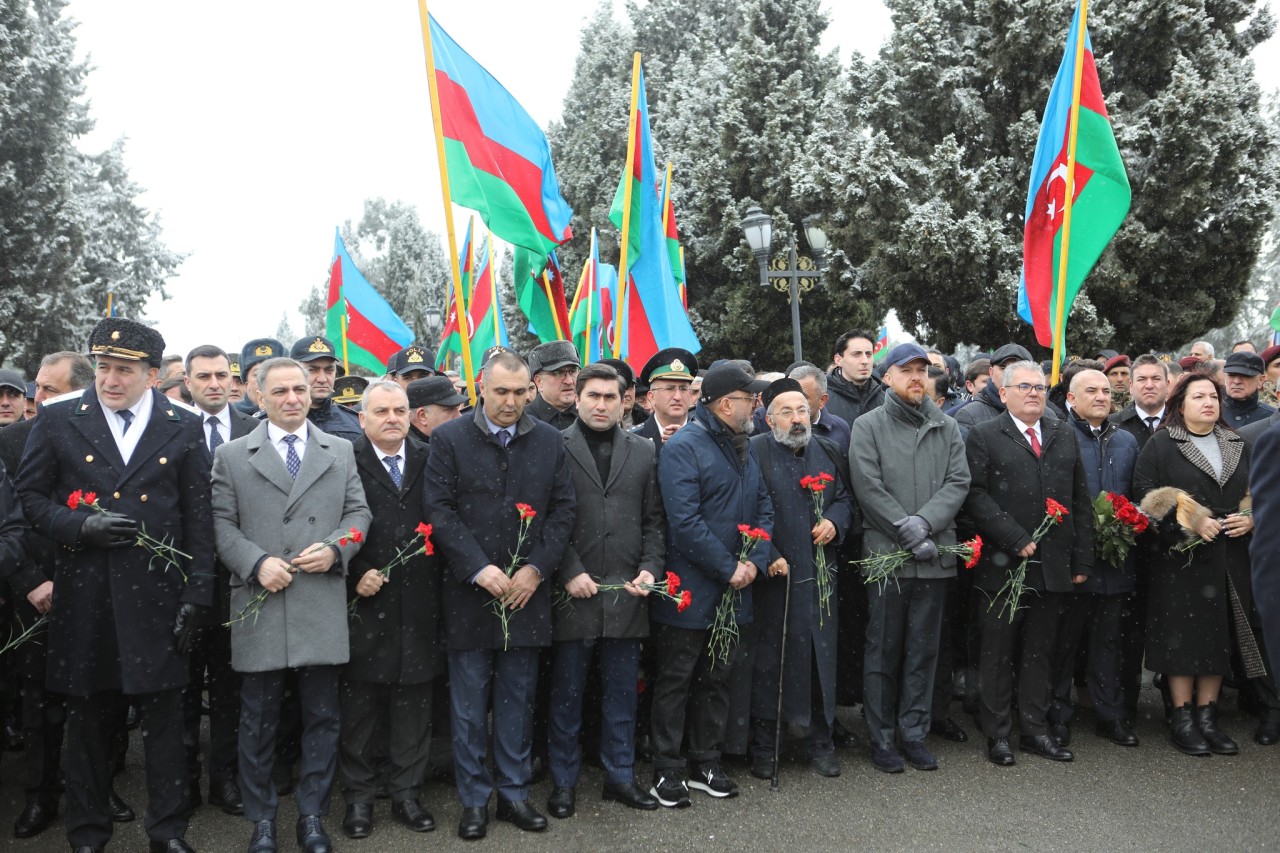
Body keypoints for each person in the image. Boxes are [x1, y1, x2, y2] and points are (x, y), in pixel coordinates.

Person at [17, 318, 216, 853]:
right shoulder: (60, 419)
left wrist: (198, 594)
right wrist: (78, 526)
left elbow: (199, 516)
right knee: (87, 722)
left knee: (167, 723)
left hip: (158, 596)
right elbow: (30, 500)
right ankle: (87, 834)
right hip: (87, 595)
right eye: (103, 367)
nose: (109, 380)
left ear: (152, 374)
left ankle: (168, 833)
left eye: (123, 370)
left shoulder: (182, 424)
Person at [211, 355, 372, 853]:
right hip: (261, 599)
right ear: (258, 396)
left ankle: (311, 814)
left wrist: (337, 548)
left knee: (322, 716)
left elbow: (358, 511)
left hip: (317, 599)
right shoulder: (233, 455)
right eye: (279, 391)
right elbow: (221, 524)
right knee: (257, 719)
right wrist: (256, 563)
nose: (292, 399)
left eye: (299, 389)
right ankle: (262, 819)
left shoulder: (340, 449)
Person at [422, 350, 576, 840]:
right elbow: (439, 511)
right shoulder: (448, 439)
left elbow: (563, 513)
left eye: (519, 392)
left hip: (525, 596)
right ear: (480, 387)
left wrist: (535, 570)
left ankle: (512, 794)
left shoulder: (550, 441)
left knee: (517, 699)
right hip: (469, 595)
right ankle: (473, 801)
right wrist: (477, 568)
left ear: (531, 390)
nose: (511, 402)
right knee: (469, 707)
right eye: (501, 391)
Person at [648, 363, 772, 808]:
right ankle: (666, 768)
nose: (757, 404)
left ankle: (705, 760)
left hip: (735, 587)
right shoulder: (684, 447)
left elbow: (763, 507)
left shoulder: (747, 446)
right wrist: (728, 567)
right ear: (725, 404)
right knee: (677, 678)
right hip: (692, 589)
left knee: (717, 677)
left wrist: (755, 560)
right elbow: (684, 523)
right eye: (750, 398)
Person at [963, 361, 1093, 767]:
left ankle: (1035, 730)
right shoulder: (984, 435)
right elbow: (975, 496)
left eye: (1040, 387)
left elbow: (1079, 500)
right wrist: (1015, 537)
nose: (1035, 393)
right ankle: (998, 734)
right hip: (1003, 565)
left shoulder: (1062, 434)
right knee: (998, 651)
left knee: (1041, 651)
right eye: (1025, 386)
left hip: (1052, 565)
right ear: (1004, 393)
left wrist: (1082, 557)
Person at [548, 364, 664, 818]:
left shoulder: (643, 451)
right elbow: (543, 516)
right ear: (576, 399)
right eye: (592, 396)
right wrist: (567, 570)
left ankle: (620, 776)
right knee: (567, 695)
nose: (600, 405)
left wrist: (651, 569)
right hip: (573, 592)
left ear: (625, 401)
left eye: (609, 397)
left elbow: (655, 520)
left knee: (621, 694)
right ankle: (563, 782)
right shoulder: (553, 446)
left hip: (626, 593)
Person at [850, 344, 970, 773]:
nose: (916, 377)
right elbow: (867, 486)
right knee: (883, 649)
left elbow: (958, 482)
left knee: (923, 651)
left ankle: (913, 734)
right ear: (888, 377)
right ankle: (882, 739)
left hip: (933, 558)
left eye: (922, 370)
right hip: (889, 558)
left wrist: (926, 523)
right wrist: (907, 528)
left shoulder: (947, 426)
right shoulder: (868, 426)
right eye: (907, 371)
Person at [1133, 371, 1259, 757]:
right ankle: (1182, 715)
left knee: (1218, 635)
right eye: (1199, 396)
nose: (1209, 403)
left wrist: (1251, 515)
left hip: (1229, 553)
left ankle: (1208, 715)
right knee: (1183, 635)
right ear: (1181, 404)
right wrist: (1190, 520)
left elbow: (1261, 489)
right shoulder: (1162, 444)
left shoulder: (1237, 442)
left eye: (1213, 397)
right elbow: (1145, 498)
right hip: (1182, 557)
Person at [0, 351, 95, 840]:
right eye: (36, 387)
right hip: (32, 591)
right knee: (38, 703)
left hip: (98, 589)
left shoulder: (105, 439)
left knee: (96, 701)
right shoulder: (9, 442)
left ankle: (95, 790)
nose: (37, 398)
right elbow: (9, 522)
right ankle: (40, 796)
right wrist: (31, 580)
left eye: (50, 390)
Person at [339, 381, 440, 839]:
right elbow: (326, 523)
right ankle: (359, 800)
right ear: (362, 418)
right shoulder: (343, 461)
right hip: (364, 600)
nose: (393, 418)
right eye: (381, 411)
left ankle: (406, 794)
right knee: (361, 707)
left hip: (420, 601)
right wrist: (352, 569)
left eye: (400, 410)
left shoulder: (430, 458)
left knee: (413, 705)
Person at [748, 378, 855, 779]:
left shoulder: (827, 450)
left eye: (802, 410)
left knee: (819, 661)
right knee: (769, 661)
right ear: (769, 417)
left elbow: (846, 499)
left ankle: (820, 741)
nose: (797, 419)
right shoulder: (754, 452)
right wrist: (768, 554)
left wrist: (834, 521)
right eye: (787, 412)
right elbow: (744, 510)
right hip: (774, 579)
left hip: (820, 576)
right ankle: (764, 745)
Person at [182, 344, 259, 817]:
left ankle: (225, 779)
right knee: (184, 689)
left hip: (240, 581)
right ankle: (184, 778)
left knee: (232, 690)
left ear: (233, 381)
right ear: (187, 382)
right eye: (203, 376)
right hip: (186, 582)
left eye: (221, 375)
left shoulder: (255, 430)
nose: (214, 384)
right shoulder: (171, 431)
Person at [1051, 369, 1140, 748]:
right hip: (1073, 560)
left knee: (1108, 642)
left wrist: (1125, 519)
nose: (1102, 396)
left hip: (1114, 560)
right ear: (1071, 399)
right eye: (1092, 390)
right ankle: (1057, 714)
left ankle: (1109, 715)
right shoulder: (1058, 437)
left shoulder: (1127, 441)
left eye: (1106, 391)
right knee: (1063, 642)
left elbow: (1136, 493)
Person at [1108, 353, 1171, 719]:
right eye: (1142, 379)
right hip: (1129, 546)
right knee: (1127, 631)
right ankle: (1126, 704)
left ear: (1168, 384)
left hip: (1174, 545)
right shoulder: (1117, 426)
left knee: (1172, 624)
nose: (1149, 385)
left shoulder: (1181, 425)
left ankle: (1174, 705)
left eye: (1156, 379)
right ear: (1130, 386)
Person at [290, 336, 362, 442]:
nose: (322, 379)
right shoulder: (272, 422)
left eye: (329, 370)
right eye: (312, 370)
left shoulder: (355, 423)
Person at [633, 348, 698, 458]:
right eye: (669, 389)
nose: (677, 397)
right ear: (652, 397)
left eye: (683, 389)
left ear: (691, 395)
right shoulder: (633, 440)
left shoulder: (705, 437)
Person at [825, 331, 886, 425]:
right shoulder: (823, 400)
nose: (865, 361)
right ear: (838, 360)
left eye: (868, 354)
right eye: (856, 354)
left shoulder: (886, 400)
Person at [526, 340, 580, 430]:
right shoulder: (522, 422)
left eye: (573, 371)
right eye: (558, 373)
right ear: (539, 381)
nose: (569, 381)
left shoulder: (591, 416)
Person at [1221, 351, 1275, 429]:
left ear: (1261, 380)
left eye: (1245, 375)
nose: (1236, 381)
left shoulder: (1273, 418)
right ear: (1225, 377)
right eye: (1231, 375)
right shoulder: (1211, 412)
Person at [405, 375, 467, 443]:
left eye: (457, 407)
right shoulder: (402, 448)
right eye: (449, 409)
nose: (459, 415)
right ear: (422, 416)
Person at [235, 339, 284, 416]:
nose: (266, 380)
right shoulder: (233, 417)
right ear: (246, 385)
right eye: (258, 374)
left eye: (273, 373)